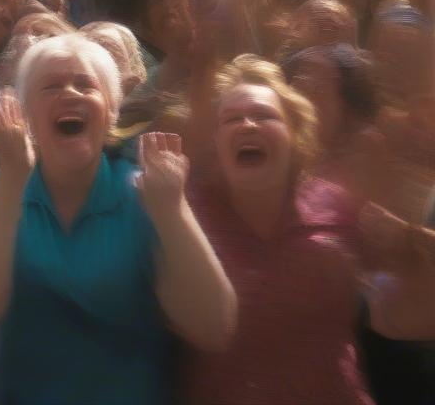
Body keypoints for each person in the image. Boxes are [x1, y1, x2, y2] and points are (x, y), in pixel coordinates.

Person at [0, 34, 236, 405]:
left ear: (111, 111)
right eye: (51, 86)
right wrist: (11, 181)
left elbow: (214, 328)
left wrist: (172, 211)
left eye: (85, 85)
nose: (70, 93)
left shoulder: (147, 191)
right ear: (25, 115)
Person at [185, 56, 435, 405]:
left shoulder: (336, 206)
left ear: (294, 134)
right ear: (216, 143)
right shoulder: (186, 212)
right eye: (232, 119)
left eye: (264, 116)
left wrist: (410, 243)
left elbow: (404, 311)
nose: (248, 125)